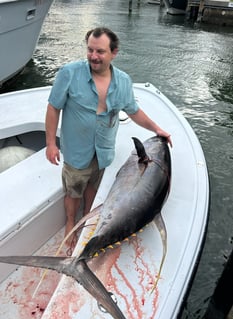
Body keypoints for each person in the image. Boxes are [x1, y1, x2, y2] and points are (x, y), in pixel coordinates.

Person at [45, 27, 172, 245]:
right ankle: (69, 222)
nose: (93, 56)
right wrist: (50, 144)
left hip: (103, 151)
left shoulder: (123, 81)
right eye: (90, 50)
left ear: (114, 53)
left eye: (100, 52)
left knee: (93, 187)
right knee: (74, 190)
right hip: (77, 150)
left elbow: (134, 111)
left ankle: (85, 222)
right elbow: (53, 107)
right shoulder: (70, 73)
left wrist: (156, 129)